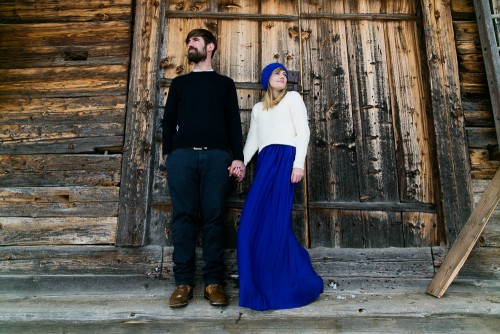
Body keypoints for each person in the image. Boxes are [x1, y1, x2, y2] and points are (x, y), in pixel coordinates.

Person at [162, 28, 246, 308]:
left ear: (210, 47)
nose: (189, 45)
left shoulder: (224, 84)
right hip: (182, 157)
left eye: (195, 41)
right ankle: (183, 283)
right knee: (183, 217)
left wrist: (238, 157)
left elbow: (234, 123)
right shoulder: (179, 84)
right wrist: (168, 153)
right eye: (188, 41)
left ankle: (213, 283)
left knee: (214, 217)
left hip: (216, 158)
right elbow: (168, 119)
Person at [236, 62, 323, 311]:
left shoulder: (293, 99)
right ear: (267, 79)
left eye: (284, 73)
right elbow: (253, 140)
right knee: (251, 224)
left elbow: (303, 132)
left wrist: (298, 164)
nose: (282, 76)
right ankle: (262, 283)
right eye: (277, 73)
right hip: (265, 163)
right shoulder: (257, 109)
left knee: (275, 223)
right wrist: (241, 163)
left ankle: (291, 282)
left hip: (286, 161)